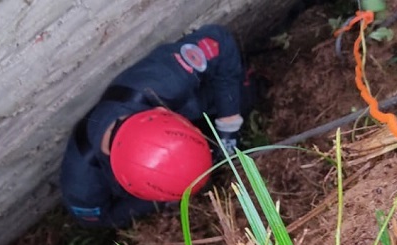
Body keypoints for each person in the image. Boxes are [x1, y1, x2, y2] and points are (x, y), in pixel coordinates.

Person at [59, 24, 253, 228]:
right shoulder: (81, 186)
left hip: (189, 106)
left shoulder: (162, 81)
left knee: (243, 95)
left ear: (162, 113)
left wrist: (229, 123)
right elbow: (99, 221)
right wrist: (154, 202)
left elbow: (218, 42)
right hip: (145, 188)